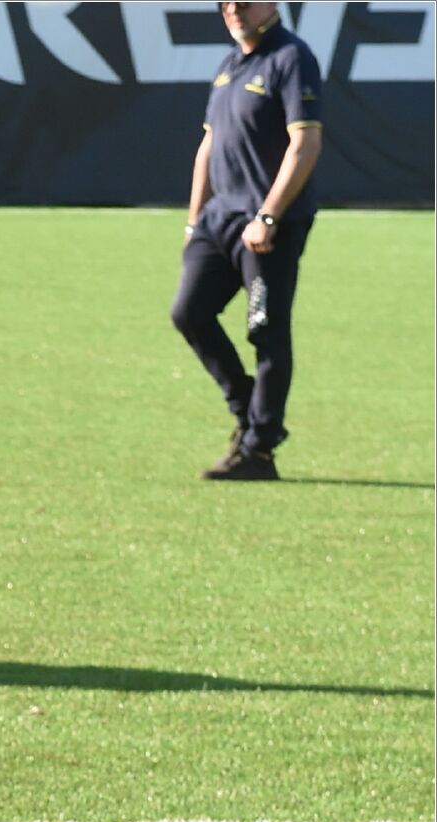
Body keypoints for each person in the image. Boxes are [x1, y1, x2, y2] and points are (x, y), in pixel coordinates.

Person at [171, 0, 324, 482]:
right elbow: (209, 145)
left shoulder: (291, 57)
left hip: (267, 226)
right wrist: (194, 221)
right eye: (224, 2)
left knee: (266, 331)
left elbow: (306, 143)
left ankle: (259, 451)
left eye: (244, 0)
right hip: (219, 220)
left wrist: (268, 216)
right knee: (189, 313)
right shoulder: (230, 64)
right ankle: (247, 408)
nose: (233, 8)